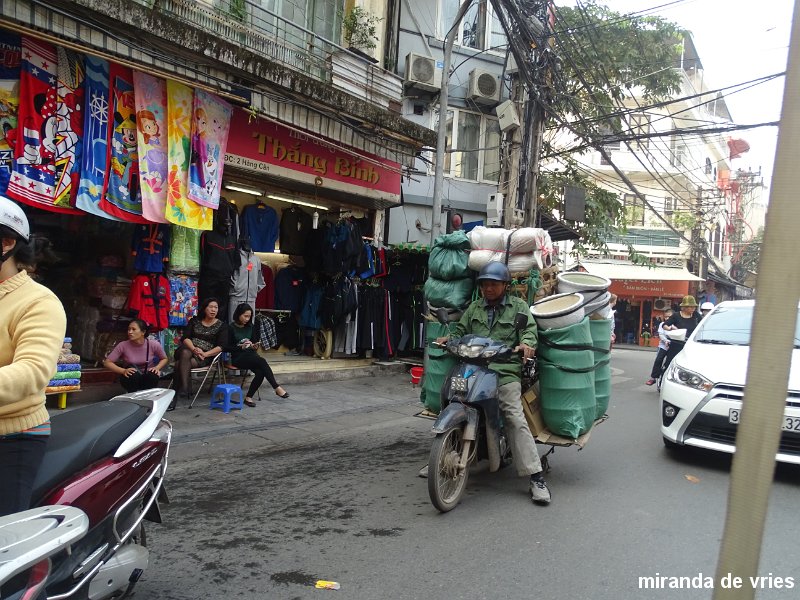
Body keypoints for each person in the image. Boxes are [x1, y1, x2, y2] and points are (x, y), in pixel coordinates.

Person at [435, 262, 551, 506]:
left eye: (493, 284)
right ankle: (441, 453)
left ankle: (535, 476)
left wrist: (526, 344)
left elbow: (529, 332)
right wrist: (450, 339)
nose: (488, 288)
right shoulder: (474, 308)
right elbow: (461, 331)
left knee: (513, 416)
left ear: (505, 286)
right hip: (474, 367)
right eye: (485, 284)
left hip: (504, 371)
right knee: (451, 398)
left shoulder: (518, 307)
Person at [0, 196, 67, 516]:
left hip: (14, 435)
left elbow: (33, 370)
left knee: (6, 547)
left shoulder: (39, 302)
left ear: (6, 244)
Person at [227, 303, 288, 407]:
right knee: (262, 361)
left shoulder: (251, 327)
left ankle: (248, 397)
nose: (247, 319)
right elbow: (226, 347)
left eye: (249, 316)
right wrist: (240, 347)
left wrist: (254, 346)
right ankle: (276, 387)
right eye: (245, 316)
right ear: (238, 314)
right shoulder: (230, 328)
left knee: (260, 372)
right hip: (238, 357)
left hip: (251, 356)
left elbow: (254, 343)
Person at [173, 297, 227, 407]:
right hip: (189, 349)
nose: (213, 310)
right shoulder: (194, 321)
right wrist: (194, 349)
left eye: (215, 307)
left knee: (179, 364)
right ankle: (184, 387)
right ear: (204, 309)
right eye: (211, 307)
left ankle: (177, 393)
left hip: (205, 356)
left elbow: (222, 346)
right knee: (185, 352)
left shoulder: (222, 326)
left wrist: (205, 354)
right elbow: (185, 338)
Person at [103, 319, 169, 393]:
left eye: (133, 329)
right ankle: (131, 394)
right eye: (129, 329)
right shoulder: (123, 345)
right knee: (133, 374)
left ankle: (148, 394)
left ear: (143, 332)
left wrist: (157, 368)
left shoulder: (153, 344)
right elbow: (107, 362)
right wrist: (123, 371)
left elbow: (164, 358)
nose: (130, 332)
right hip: (131, 377)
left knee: (153, 374)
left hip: (147, 376)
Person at [661, 295, 702, 373]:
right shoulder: (676, 315)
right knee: (669, 362)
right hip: (677, 344)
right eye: (691, 307)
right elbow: (665, 325)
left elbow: (703, 325)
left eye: (694, 307)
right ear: (684, 307)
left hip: (690, 344)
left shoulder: (696, 315)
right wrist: (670, 328)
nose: (693, 309)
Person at [646, 309, 673, 386]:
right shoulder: (662, 324)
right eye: (666, 317)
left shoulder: (676, 324)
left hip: (673, 346)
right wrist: (665, 341)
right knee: (658, 360)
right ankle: (653, 378)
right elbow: (661, 334)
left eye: (669, 317)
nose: (667, 318)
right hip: (663, 345)